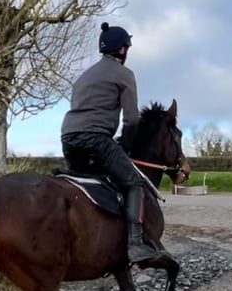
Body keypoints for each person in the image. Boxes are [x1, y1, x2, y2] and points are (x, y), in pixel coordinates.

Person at [61, 22, 160, 263]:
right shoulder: (124, 74)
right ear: (123, 50)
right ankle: (136, 245)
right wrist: (126, 145)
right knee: (134, 183)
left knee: (86, 184)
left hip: (69, 136)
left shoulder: (84, 76)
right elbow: (132, 119)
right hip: (96, 138)